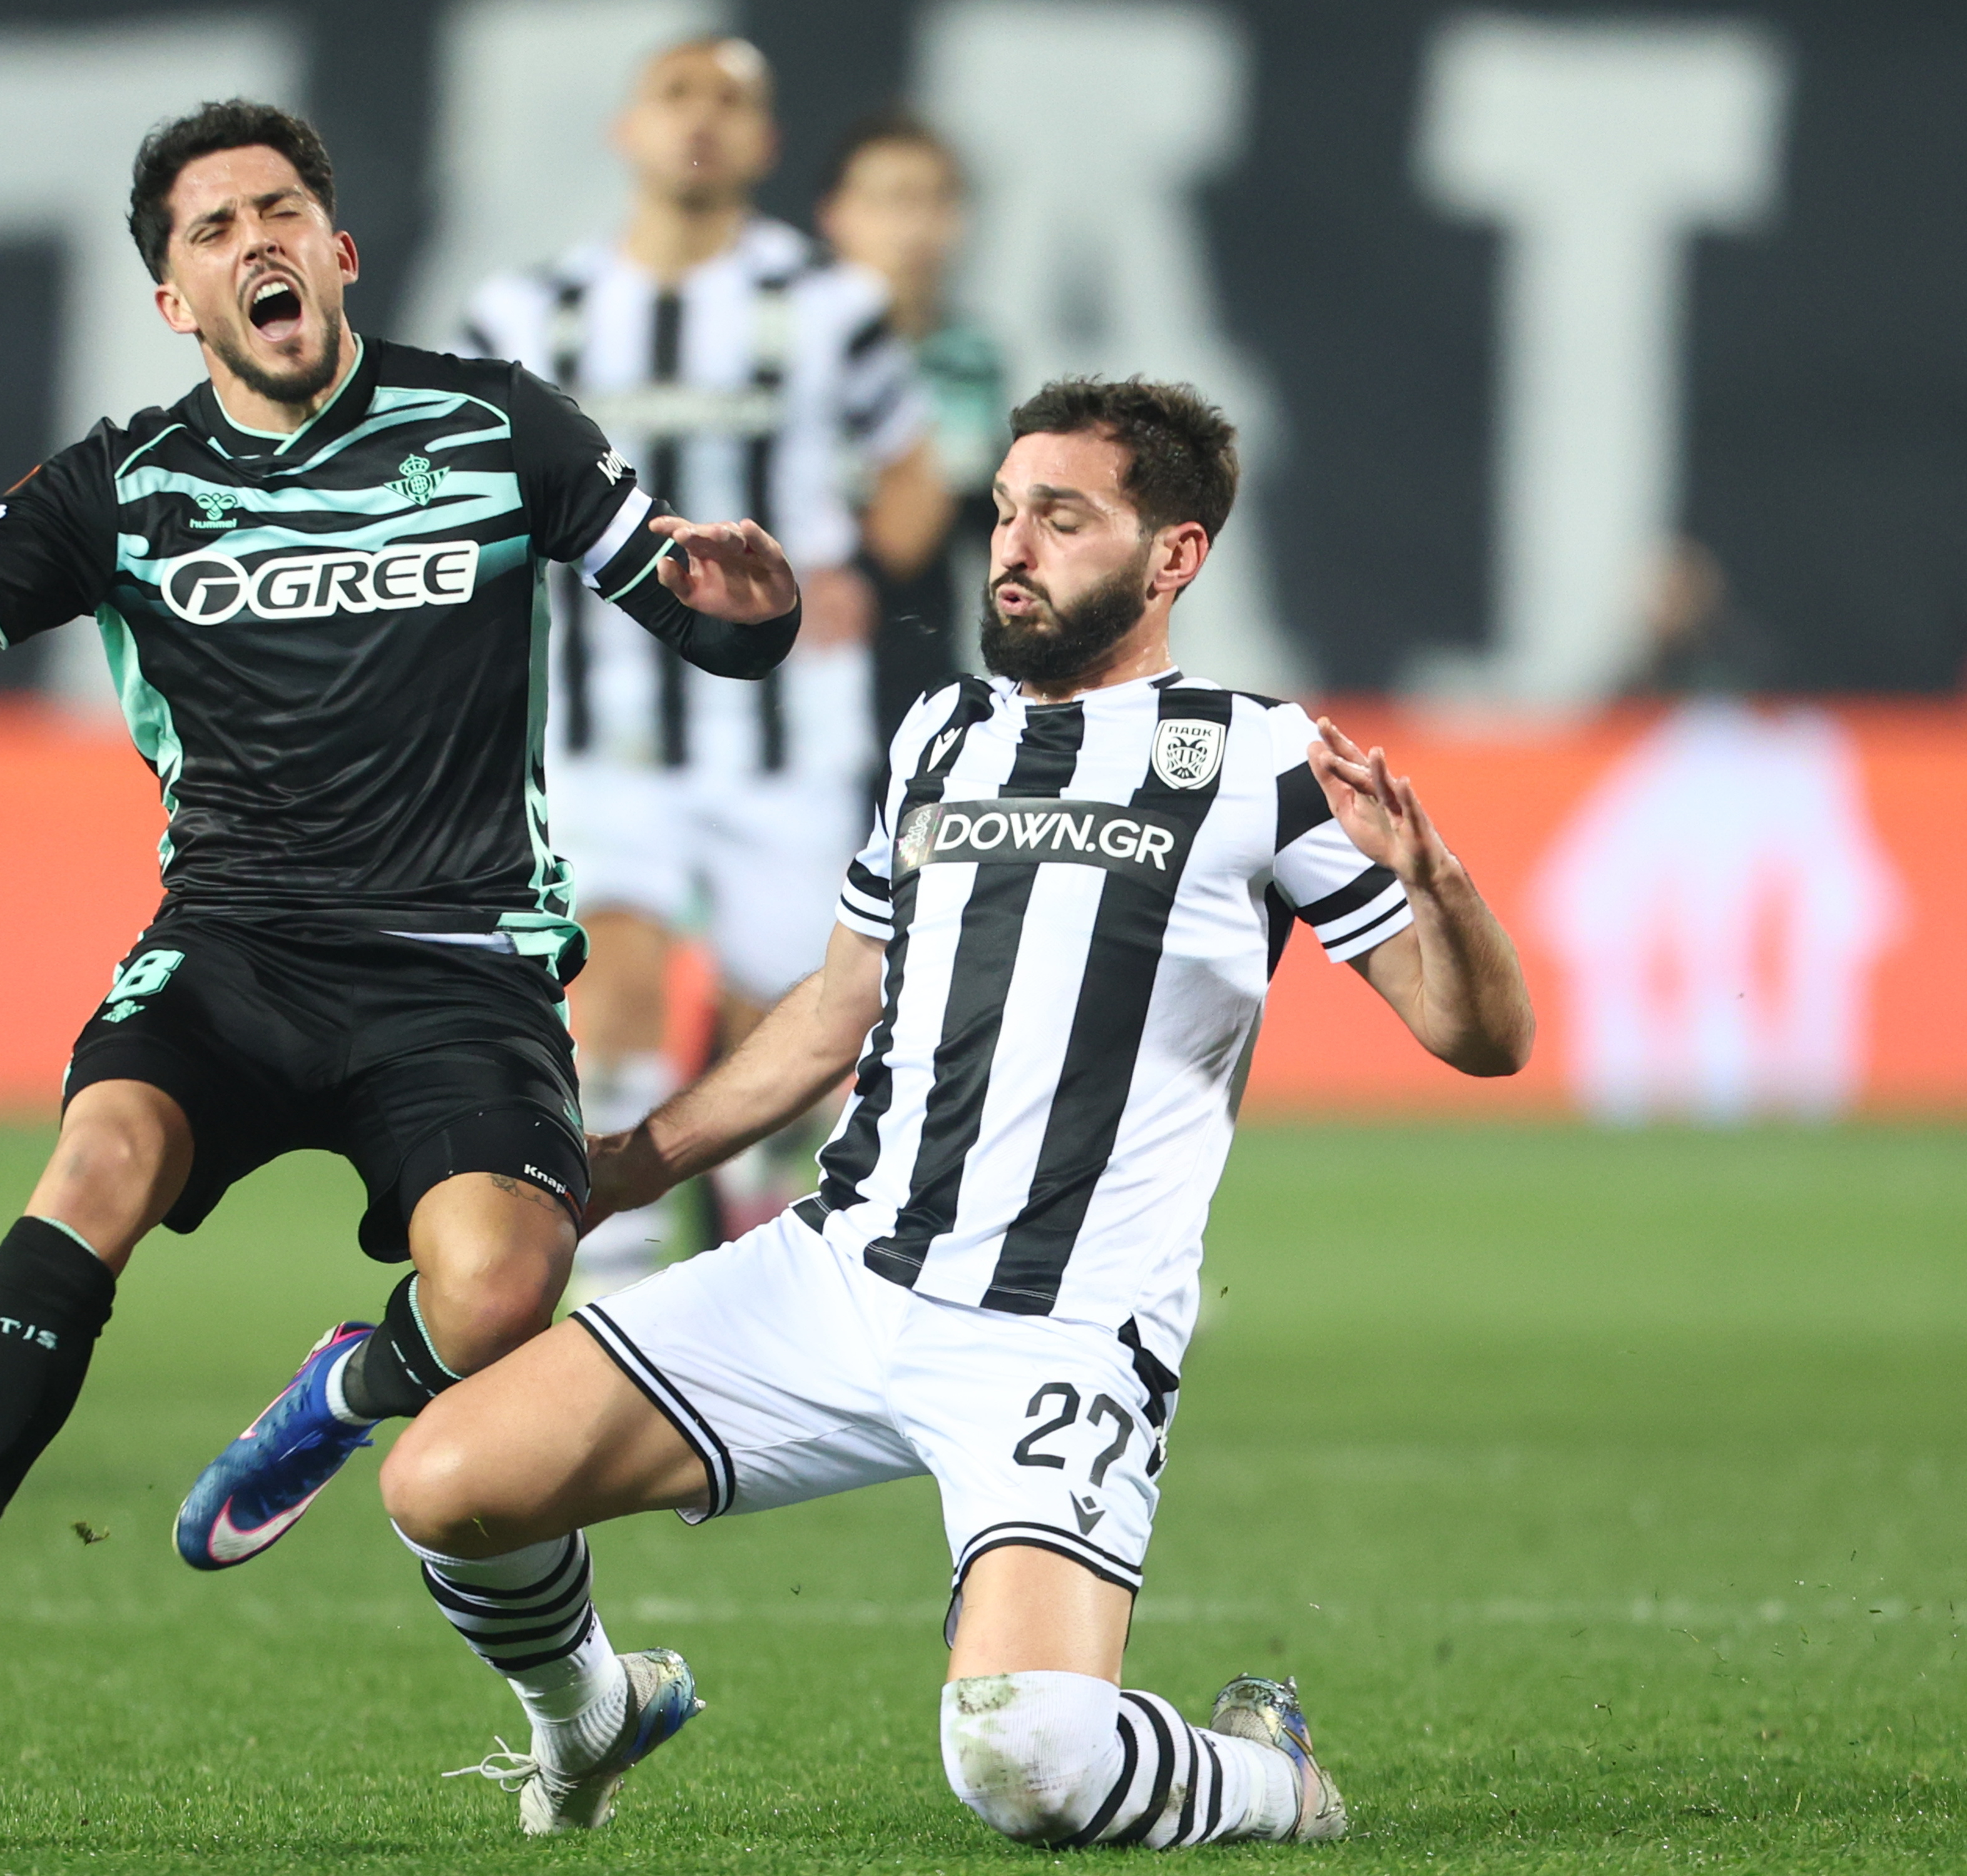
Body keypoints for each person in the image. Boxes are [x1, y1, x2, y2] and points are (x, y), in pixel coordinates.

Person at [0, 99, 804, 1751]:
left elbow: (703, 620)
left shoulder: (499, 428)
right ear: (173, 300)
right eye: (213, 228)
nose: (255, 239)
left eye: (280, 211)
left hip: (458, 962)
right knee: (97, 1159)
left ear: (339, 252)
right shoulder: (123, 485)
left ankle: (342, 1390)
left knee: (500, 1289)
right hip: (236, 948)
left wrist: (754, 616)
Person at [379, 377, 1536, 1840]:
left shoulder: (1259, 758)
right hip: (837, 1273)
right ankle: (589, 1713)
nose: (1012, 545)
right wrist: (627, 1164)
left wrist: (1439, 884)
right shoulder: (943, 731)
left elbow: (1478, 1035)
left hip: (1059, 1325)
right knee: (446, 1481)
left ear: (1172, 555)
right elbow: (834, 1007)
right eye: (1002, 510)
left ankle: (1272, 1775)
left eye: (1062, 516)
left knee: (1025, 1762)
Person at [458, 38, 942, 1289]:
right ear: (627, 129)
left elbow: (910, 474)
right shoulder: (526, 316)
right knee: (611, 989)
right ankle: (611, 1305)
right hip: (602, 729)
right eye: (678, 96)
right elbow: (466, 494)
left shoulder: (831, 307)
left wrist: (859, 573)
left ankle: (753, 1255)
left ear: (766, 144)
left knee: (778, 1042)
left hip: (786, 733)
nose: (702, 121)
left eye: (732, 103)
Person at [816, 110, 1009, 742]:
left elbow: (967, 529)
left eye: (937, 201)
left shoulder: (970, 359)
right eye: (893, 201)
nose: (916, 227)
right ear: (834, 216)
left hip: (918, 684)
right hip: (797, 670)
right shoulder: (782, 356)